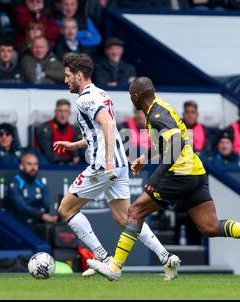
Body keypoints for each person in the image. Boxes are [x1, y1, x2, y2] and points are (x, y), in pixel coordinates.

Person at [87, 77, 240, 281]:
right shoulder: (161, 107)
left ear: (136, 96)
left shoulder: (156, 115)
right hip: (195, 171)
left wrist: (156, 175)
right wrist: (144, 157)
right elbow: (169, 141)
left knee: (135, 212)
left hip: (179, 173)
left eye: (130, 95)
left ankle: (115, 267)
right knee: (210, 226)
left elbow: (176, 144)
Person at [54, 54, 179, 280]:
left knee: (66, 209)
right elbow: (99, 131)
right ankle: (165, 256)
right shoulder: (101, 93)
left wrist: (108, 162)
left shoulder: (84, 99)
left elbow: (109, 125)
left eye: (68, 76)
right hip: (119, 164)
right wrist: (75, 145)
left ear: (79, 75)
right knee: (126, 218)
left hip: (105, 165)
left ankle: (103, 258)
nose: (66, 81)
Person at [8, 153, 58, 231]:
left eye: (35, 164)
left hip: (38, 222)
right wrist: (41, 215)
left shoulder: (39, 183)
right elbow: (21, 206)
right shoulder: (15, 182)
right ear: (21, 166)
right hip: (19, 223)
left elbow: (47, 203)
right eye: (29, 164)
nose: (33, 167)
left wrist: (53, 214)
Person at [37, 99, 80, 164]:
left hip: (68, 166)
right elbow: (49, 155)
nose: (63, 115)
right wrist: (70, 159)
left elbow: (75, 154)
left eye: (66, 111)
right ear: (55, 112)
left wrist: (74, 157)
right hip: (49, 166)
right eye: (60, 111)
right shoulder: (46, 128)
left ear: (69, 113)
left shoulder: (73, 129)